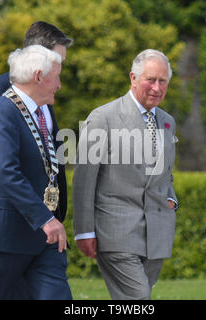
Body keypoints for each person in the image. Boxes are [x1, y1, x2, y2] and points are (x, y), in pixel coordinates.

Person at [0, 45, 72, 300]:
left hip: (42, 238)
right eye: (56, 76)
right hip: (5, 237)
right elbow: (7, 174)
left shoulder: (38, 113)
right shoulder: (2, 112)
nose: (58, 84)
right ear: (38, 76)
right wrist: (45, 219)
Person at [73, 49, 179, 300]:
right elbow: (84, 179)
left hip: (156, 233)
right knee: (138, 297)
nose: (156, 87)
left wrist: (172, 201)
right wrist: (84, 230)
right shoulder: (102, 118)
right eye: (150, 80)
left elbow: (166, 174)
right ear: (133, 78)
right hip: (115, 232)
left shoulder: (167, 122)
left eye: (162, 81)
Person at [0, 20, 73, 231]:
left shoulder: (43, 93)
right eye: (58, 61)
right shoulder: (6, 88)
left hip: (43, 218)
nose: (60, 74)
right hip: (15, 223)